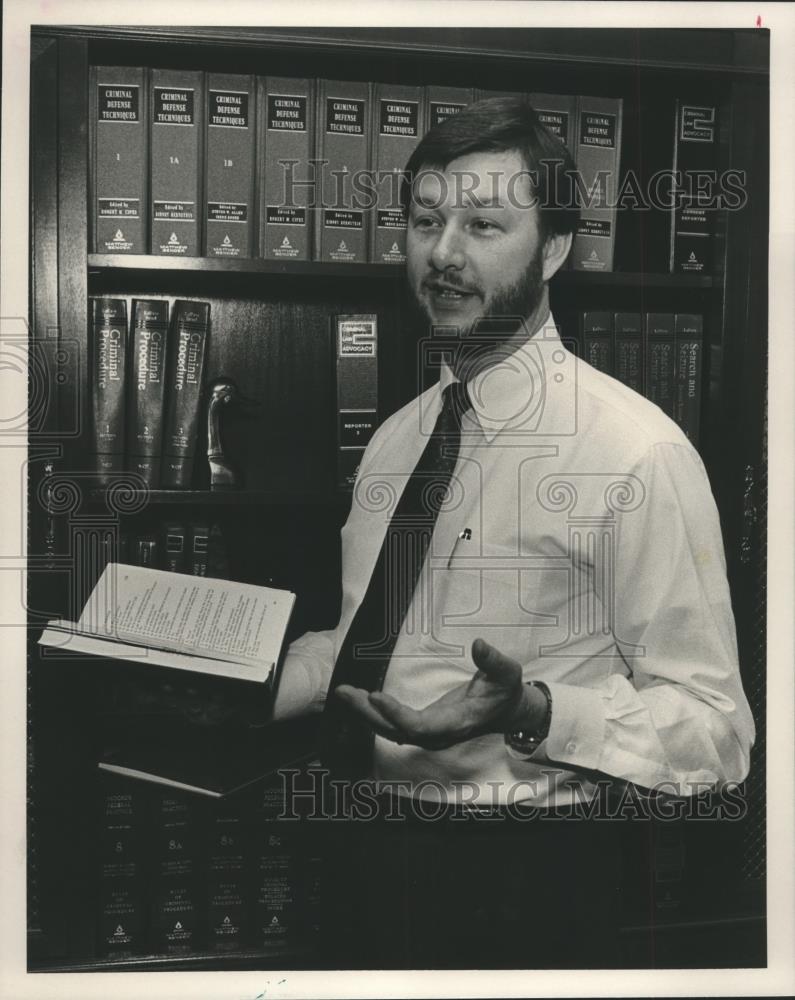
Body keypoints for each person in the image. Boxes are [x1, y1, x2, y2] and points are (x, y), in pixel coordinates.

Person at [271, 97, 756, 967]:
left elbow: (715, 735)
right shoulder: (396, 439)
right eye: (426, 220)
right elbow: (362, 644)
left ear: (555, 249)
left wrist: (531, 710)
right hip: (363, 853)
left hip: (529, 878)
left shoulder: (634, 451)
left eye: (484, 224)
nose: (444, 254)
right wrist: (243, 674)